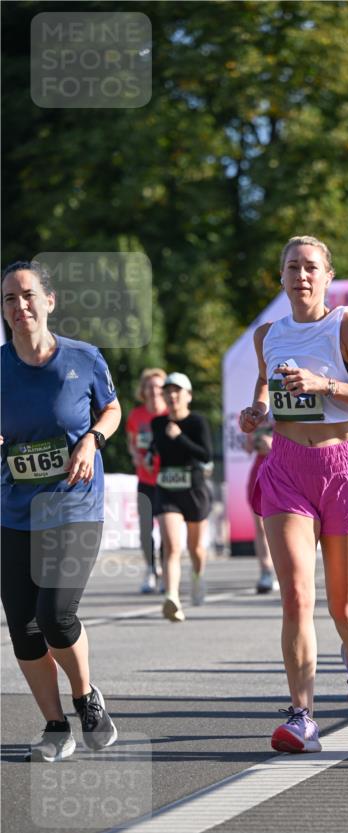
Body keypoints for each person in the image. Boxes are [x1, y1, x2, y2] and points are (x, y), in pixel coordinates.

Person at [239, 235, 348, 753]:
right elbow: (266, 385)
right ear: (280, 278)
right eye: (291, 268)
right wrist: (258, 411)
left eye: (311, 268)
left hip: (345, 467)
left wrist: (324, 385)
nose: (301, 276)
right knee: (297, 599)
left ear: (328, 277)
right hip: (286, 468)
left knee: (344, 607)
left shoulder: (346, 325)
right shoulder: (268, 335)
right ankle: (302, 716)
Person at [1, 260, 120, 761]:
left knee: (55, 614)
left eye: (28, 295)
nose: (19, 305)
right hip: (15, 509)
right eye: (9, 299)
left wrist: (92, 440)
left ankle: (85, 696)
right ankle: (55, 726)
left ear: (49, 302)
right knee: (23, 627)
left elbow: (111, 409)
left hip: (73, 503)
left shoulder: (84, 358)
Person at [149, 372, 213, 622]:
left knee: (195, 548)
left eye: (177, 391)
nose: (172, 396)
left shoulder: (197, 422)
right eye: (168, 392)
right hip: (167, 489)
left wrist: (180, 437)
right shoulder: (157, 424)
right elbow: (157, 448)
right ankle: (172, 596)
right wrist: (150, 452)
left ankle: (197, 576)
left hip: (194, 489)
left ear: (188, 396)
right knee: (172, 546)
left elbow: (205, 454)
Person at [126, 368, 167, 593]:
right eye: (149, 387)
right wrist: (136, 456)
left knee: (166, 528)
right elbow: (131, 442)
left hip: (166, 479)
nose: (154, 391)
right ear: (143, 390)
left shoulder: (170, 413)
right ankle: (151, 569)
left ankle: (165, 571)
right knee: (145, 529)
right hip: (145, 479)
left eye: (159, 387)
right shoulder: (136, 415)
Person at [244, 415, 279, 594]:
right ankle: (265, 571)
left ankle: (284, 570)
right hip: (258, 470)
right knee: (260, 526)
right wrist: (251, 437)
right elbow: (247, 448)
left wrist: (274, 443)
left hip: (281, 470)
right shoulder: (257, 416)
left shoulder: (286, 411)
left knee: (282, 527)